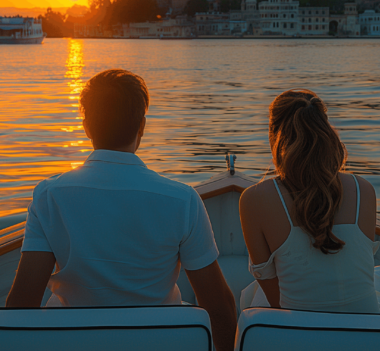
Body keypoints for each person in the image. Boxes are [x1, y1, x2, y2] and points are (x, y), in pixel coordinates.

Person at [6, 69, 237, 351]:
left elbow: (22, 304)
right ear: (141, 126)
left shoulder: (50, 196)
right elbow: (219, 307)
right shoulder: (182, 199)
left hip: (73, 343)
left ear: (87, 126)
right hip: (159, 342)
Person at [239, 89, 380, 313]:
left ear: (273, 135)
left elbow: (275, 298)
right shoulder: (364, 190)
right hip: (368, 330)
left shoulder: (254, 199)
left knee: (249, 295)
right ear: (326, 128)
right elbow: (355, 268)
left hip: (302, 333)